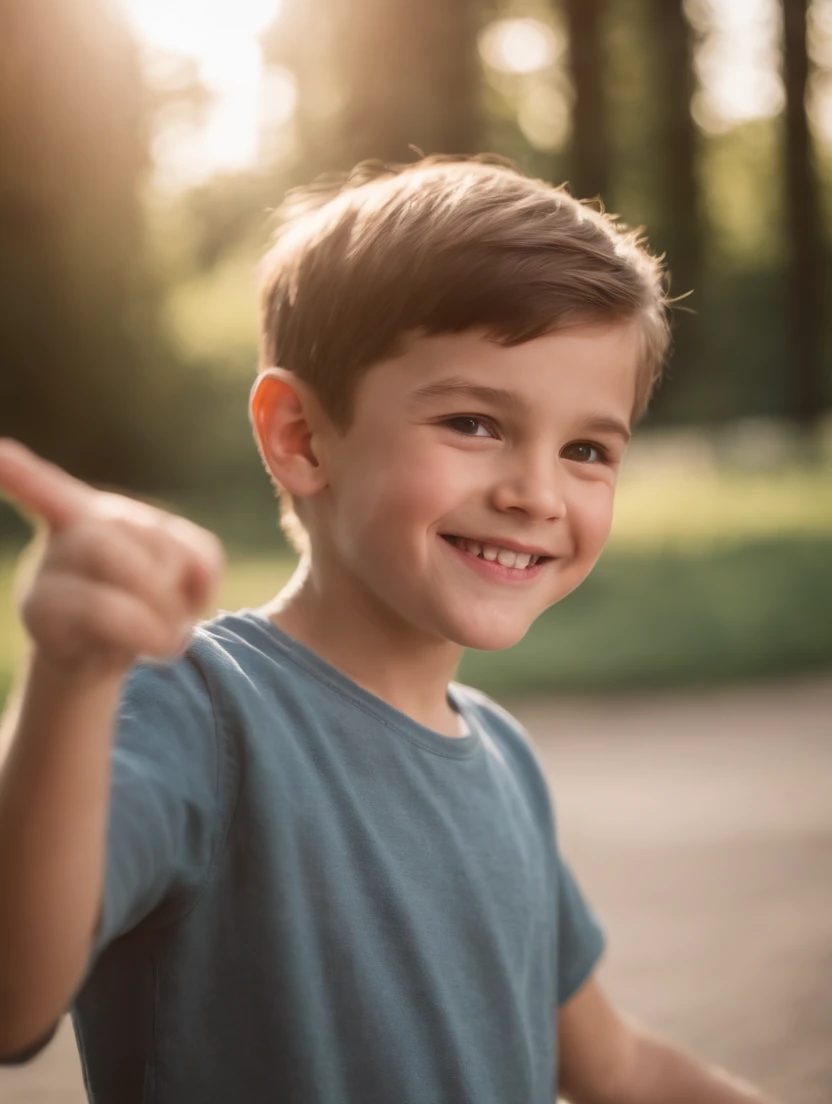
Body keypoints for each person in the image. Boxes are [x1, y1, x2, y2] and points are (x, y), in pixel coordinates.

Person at [0, 157, 774, 1103]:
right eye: (474, 423)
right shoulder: (196, 707)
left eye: (585, 450)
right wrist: (72, 678)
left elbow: (614, 1066)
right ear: (302, 437)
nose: (535, 493)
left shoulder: (503, 758)